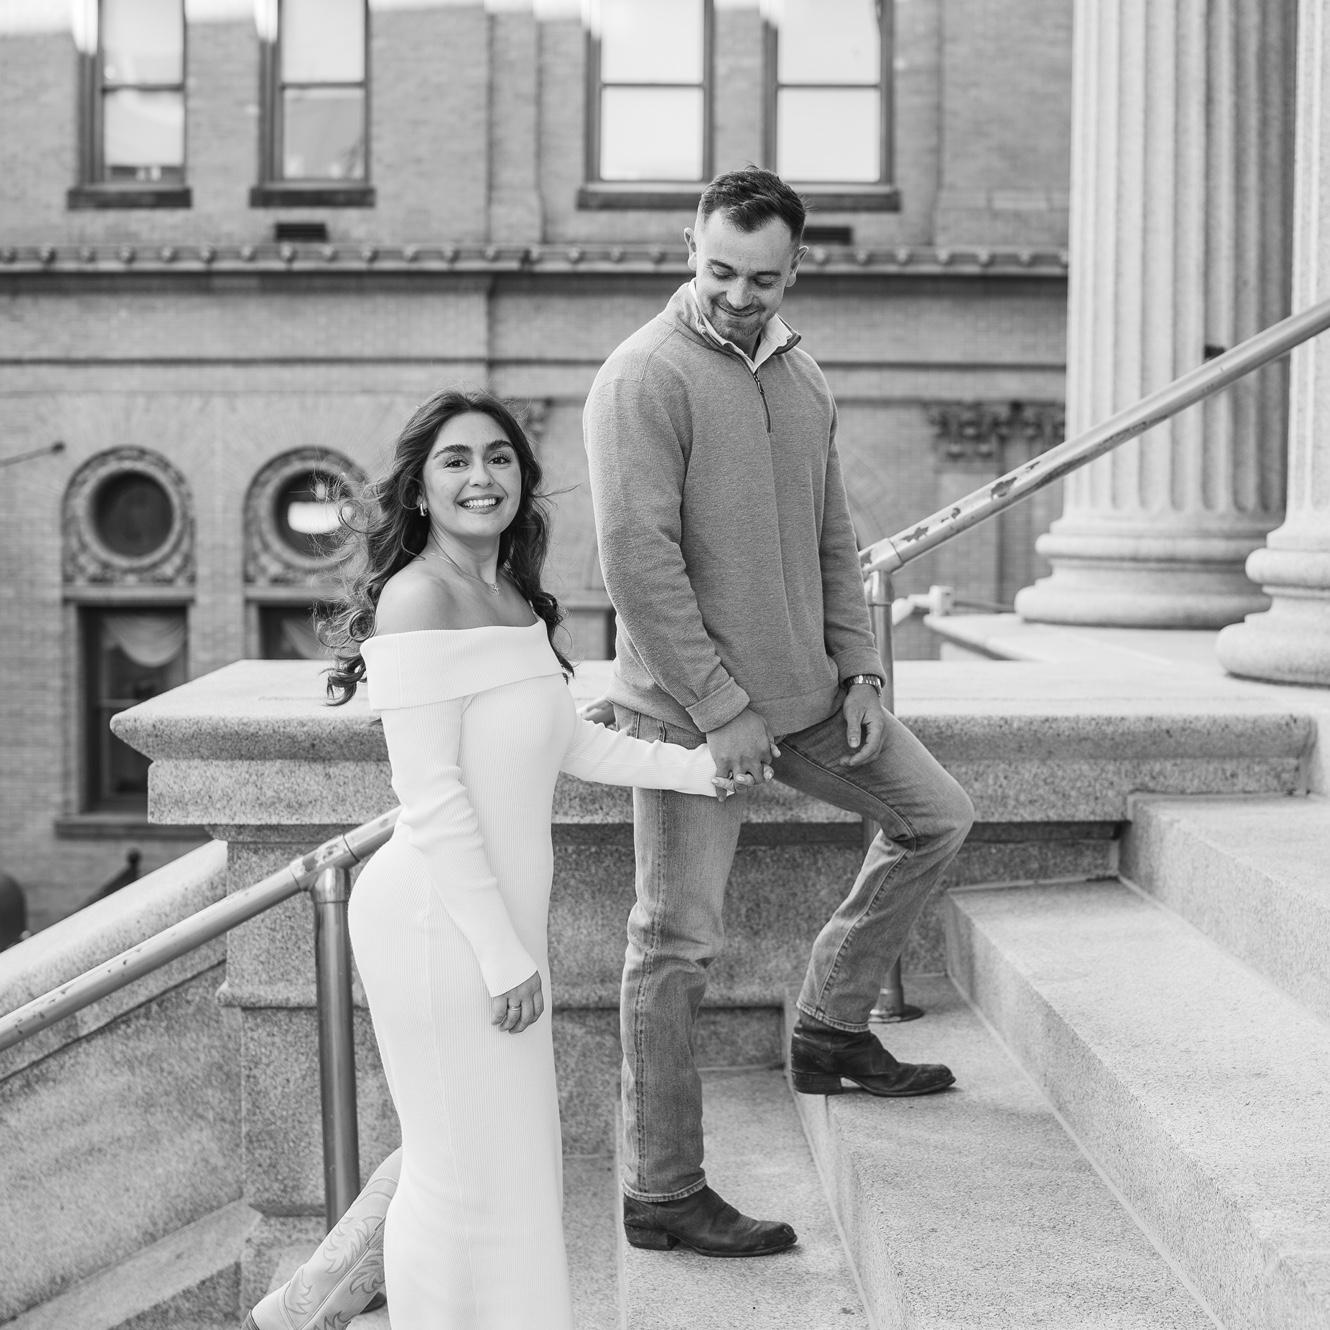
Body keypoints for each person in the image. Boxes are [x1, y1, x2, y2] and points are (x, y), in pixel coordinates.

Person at [245, 388, 733, 1330]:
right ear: (420, 489)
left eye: (500, 457)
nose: (483, 476)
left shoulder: (511, 597)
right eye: (457, 460)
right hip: (441, 926)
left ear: (522, 478)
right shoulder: (416, 598)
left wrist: (705, 772)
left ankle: (309, 1308)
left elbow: (566, 742)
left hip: (498, 925)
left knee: (509, 1169)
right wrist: (502, 953)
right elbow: (432, 797)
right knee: (454, 1182)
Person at [582, 166, 976, 1258]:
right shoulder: (642, 376)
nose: (738, 295)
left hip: (809, 699)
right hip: (685, 714)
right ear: (689, 248)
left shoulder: (801, 374)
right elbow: (637, 563)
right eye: (719, 270)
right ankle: (662, 1189)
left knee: (935, 817)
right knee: (673, 943)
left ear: (796, 267)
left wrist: (861, 672)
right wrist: (719, 708)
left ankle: (832, 1027)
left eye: (762, 278)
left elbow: (832, 538)